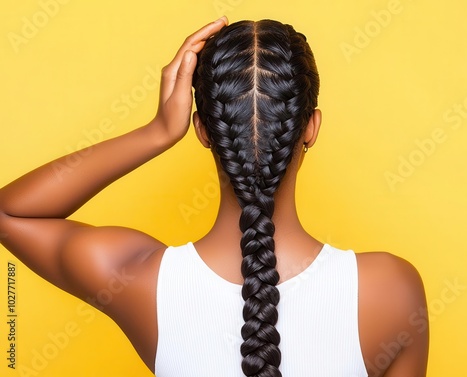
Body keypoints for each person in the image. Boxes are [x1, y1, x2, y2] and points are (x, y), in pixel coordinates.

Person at [0, 16, 428, 376]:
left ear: (203, 130)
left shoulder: (138, 278)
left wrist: (157, 133)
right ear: (311, 127)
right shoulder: (390, 290)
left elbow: (11, 213)